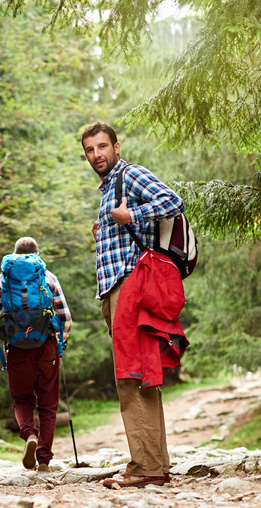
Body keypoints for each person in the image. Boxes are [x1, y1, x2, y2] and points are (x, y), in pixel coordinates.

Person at [81, 121, 185, 488]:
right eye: (90, 150)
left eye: (102, 147)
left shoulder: (131, 175)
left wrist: (131, 216)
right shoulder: (108, 188)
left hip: (131, 285)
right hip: (116, 288)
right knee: (140, 374)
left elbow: (173, 201)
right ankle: (155, 463)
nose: (97, 154)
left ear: (117, 147)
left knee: (130, 376)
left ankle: (145, 467)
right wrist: (107, 229)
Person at [0, 237, 71, 472]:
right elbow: (66, 319)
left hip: (17, 349)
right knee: (48, 405)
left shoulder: (4, 278)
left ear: (13, 254)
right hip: (47, 347)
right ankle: (43, 460)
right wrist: (61, 342)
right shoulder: (48, 277)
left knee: (22, 400)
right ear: (37, 254)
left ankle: (30, 434)